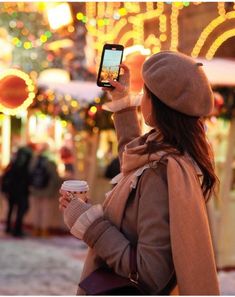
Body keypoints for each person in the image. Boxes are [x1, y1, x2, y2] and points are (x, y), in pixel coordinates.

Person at [59, 51, 220, 295]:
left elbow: (150, 274)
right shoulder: (169, 151)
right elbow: (134, 159)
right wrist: (122, 102)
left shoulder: (160, 174)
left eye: (145, 93)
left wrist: (88, 223)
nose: (141, 98)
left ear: (159, 105)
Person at [30, 144, 61, 237]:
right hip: (47, 192)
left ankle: (36, 229)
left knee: (36, 211)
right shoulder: (50, 162)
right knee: (46, 212)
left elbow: (30, 174)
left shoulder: (34, 161)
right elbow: (55, 178)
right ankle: (44, 231)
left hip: (35, 190)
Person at [2, 146, 32, 237]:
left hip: (13, 191)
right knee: (20, 210)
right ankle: (17, 230)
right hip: (20, 192)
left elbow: (6, 176)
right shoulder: (24, 165)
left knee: (12, 209)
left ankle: (10, 228)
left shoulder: (14, 163)